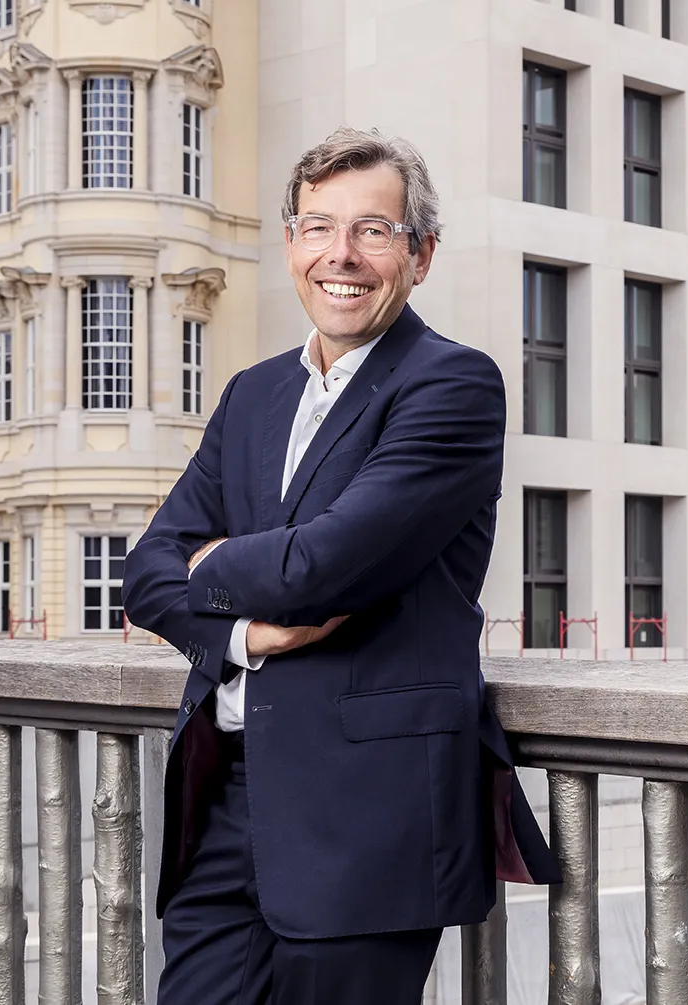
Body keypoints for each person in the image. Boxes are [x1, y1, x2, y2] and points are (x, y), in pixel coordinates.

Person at [123, 127, 554, 1004]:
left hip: (366, 815)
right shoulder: (253, 392)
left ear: (420, 254)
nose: (340, 256)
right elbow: (145, 572)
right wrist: (242, 626)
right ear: (291, 244)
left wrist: (209, 560)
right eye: (318, 228)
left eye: (373, 230)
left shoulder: (452, 386)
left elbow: (320, 568)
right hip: (226, 803)